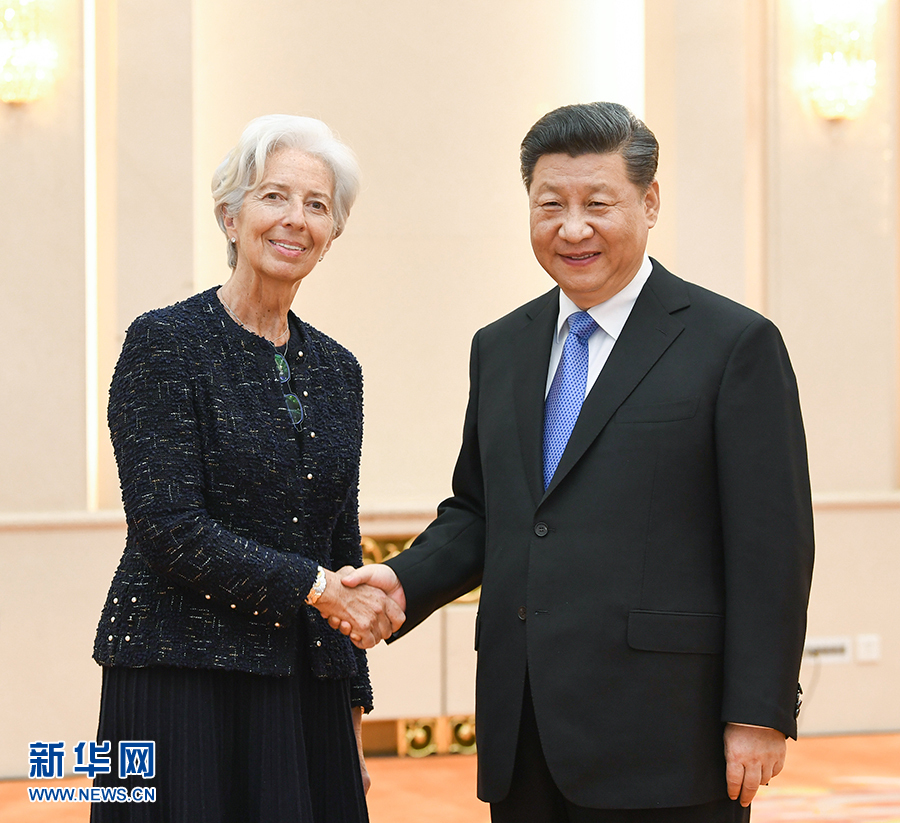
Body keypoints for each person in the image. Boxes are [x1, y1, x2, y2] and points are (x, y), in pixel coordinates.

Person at [338, 102, 814, 822]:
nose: (572, 228)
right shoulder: (501, 346)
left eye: (598, 203)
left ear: (650, 202)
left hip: (667, 737)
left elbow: (771, 545)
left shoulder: (732, 344)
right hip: (523, 728)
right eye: (550, 205)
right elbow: (484, 510)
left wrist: (759, 711)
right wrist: (404, 579)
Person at [90, 114, 404, 822]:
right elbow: (170, 529)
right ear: (230, 217)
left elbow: (339, 543)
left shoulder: (339, 370)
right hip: (180, 678)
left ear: (331, 235)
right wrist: (317, 587)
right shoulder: (164, 342)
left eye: (316, 205)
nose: (295, 218)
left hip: (304, 686)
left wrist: (354, 707)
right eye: (273, 196)